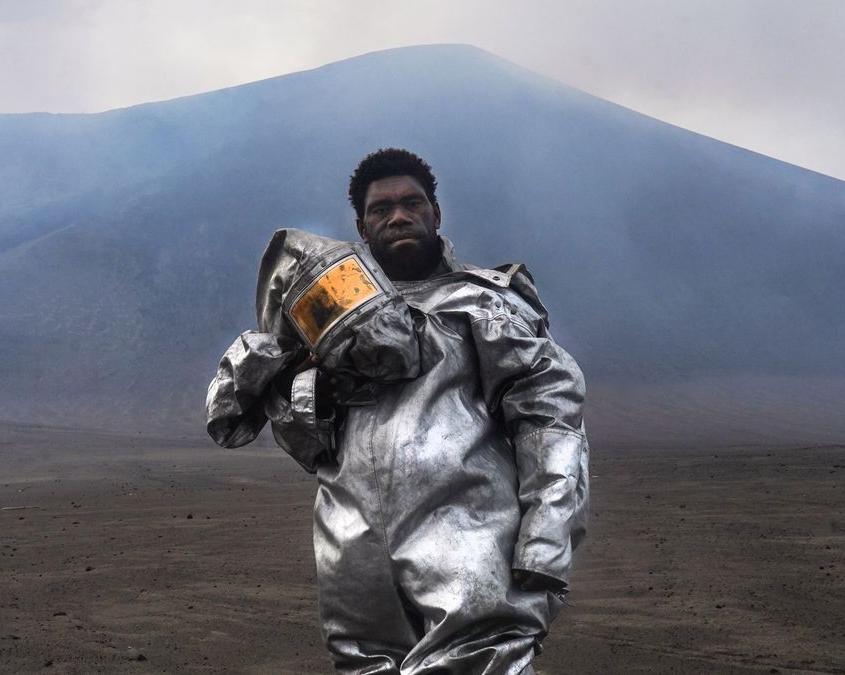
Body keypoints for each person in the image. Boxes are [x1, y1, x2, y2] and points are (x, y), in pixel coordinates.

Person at [206, 148, 589, 674]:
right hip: (353, 546)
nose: (399, 216)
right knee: (364, 666)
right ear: (362, 228)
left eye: (412, 203)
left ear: (437, 213)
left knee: (480, 662)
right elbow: (307, 445)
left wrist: (546, 538)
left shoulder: (486, 306)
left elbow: (550, 422)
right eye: (382, 209)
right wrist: (309, 388)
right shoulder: (325, 322)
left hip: (469, 539)